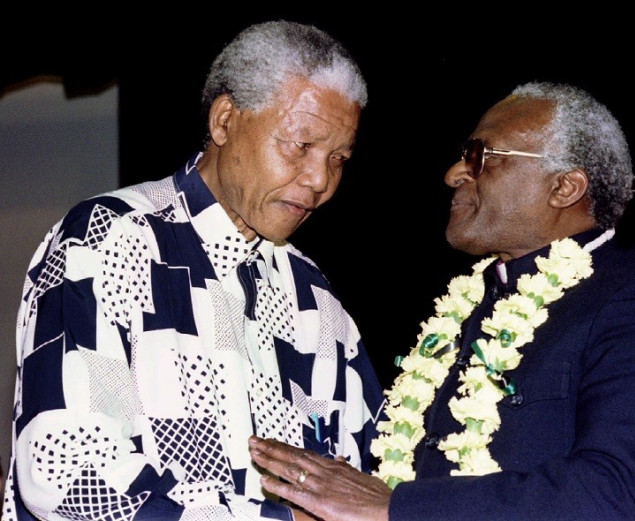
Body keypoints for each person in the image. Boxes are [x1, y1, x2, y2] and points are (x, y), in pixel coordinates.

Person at [248, 81, 635, 520]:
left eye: (481, 155)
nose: (455, 173)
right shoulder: (469, 308)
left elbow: (623, 494)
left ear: (565, 187)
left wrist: (395, 508)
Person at [2, 20, 384, 521]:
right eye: (301, 144)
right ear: (224, 121)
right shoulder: (110, 240)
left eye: (338, 158)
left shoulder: (315, 297)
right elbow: (65, 473)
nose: (320, 181)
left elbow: (370, 477)